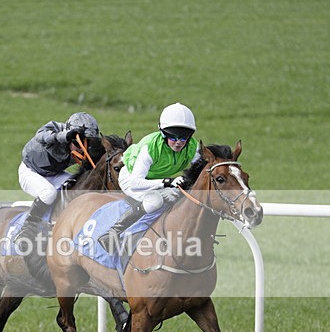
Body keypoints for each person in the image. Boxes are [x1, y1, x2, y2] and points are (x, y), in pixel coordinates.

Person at [97, 102, 199, 252]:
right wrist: (167, 182)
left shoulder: (192, 147)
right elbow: (135, 183)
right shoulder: (150, 148)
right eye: (173, 137)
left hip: (152, 179)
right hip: (131, 177)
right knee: (155, 200)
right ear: (163, 134)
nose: (178, 143)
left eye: (183, 138)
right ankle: (111, 233)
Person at [15, 111, 101, 246]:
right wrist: (64, 136)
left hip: (55, 174)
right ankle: (26, 230)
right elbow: (41, 137)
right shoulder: (53, 128)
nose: (83, 149)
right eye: (78, 144)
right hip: (30, 172)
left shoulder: (82, 146)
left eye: (88, 143)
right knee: (48, 194)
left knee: (77, 190)